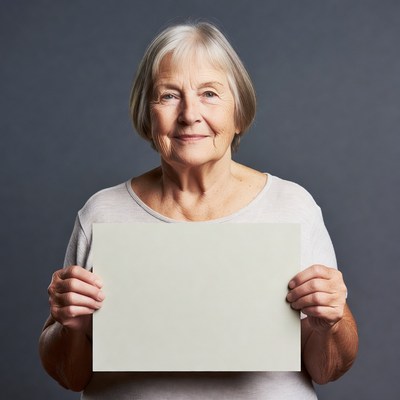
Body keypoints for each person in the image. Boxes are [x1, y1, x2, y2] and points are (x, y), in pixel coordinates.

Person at [39, 21, 358, 399]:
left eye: (209, 93)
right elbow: (70, 376)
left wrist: (331, 322)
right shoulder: (102, 213)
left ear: (239, 114)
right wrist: (69, 326)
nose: (190, 114)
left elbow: (327, 369)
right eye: (169, 96)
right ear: (148, 114)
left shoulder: (292, 206)